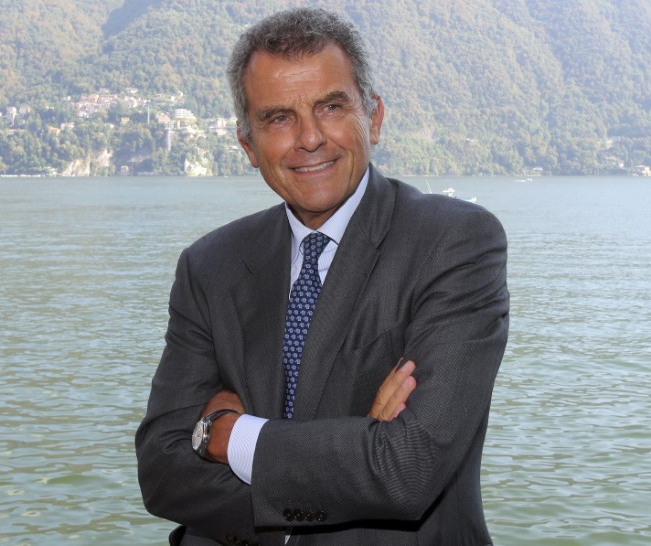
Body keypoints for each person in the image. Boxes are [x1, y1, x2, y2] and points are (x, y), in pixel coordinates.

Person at [136, 7, 509, 546]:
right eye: (279, 118)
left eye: (331, 107)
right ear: (248, 145)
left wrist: (227, 435)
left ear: (373, 118)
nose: (309, 138)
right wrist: (343, 463)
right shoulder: (209, 265)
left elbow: (406, 469)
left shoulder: (454, 244)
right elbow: (162, 473)